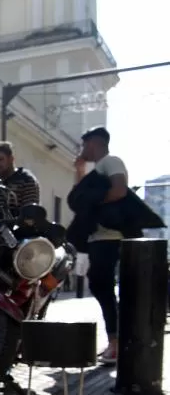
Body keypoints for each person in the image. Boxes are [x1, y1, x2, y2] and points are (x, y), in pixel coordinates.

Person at [73, 126, 129, 366]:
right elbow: (79, 198)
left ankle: (116, 344)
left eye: (84, 145)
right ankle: (116, 341)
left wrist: (94, 204)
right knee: (101, 286)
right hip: (99, 238)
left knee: (102, 286)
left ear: (94, 143)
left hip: (109, 238)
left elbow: (119, 190)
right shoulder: (97, 170)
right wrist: (79, 171)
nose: (82, 149)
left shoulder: (111, 162)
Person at [0, 141, 41, 227]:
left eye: (0, 159)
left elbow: (29, 218)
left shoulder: (26, 179)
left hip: (19, 236)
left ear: (11, 159)